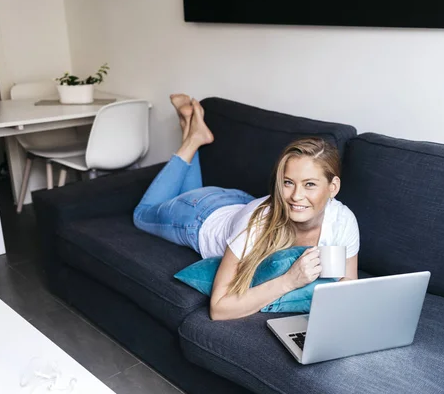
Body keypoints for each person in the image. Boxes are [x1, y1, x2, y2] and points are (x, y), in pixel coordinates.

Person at [133, 94, 360, 320]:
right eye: (288, 183)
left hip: (239, 202)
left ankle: (192, 128)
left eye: (310, 184)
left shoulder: (343, 221)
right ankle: (192, 139)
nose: (296, 196)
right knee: (141, 215)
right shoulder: (258, 223)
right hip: (199, 215)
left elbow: (348, 287)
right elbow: (219, 308)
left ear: (333, 187)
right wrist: (289, 281)